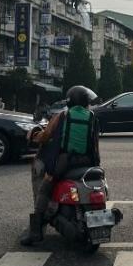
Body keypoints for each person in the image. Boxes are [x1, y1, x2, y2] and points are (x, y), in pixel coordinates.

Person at [19, 85, 101, 246]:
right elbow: (95, 143)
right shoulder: (92, 117)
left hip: (66, 161)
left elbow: (45, 136)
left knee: (45, 188)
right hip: (88, 161)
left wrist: (34, 135)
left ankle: (35, 231)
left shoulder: (62, 115)